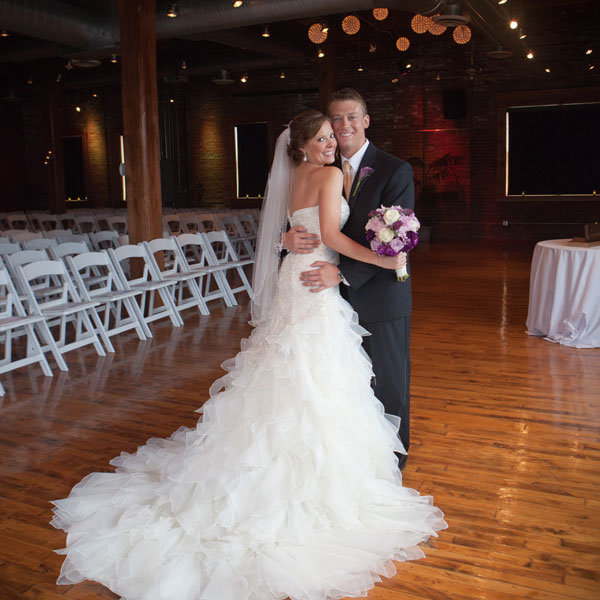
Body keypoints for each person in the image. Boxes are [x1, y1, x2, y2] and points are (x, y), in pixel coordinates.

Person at [50, 110, 446, 600]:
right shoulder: (323, 173)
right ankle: (316, 486)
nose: (330, 143)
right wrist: (385, 257)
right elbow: (333, 237)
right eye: (322, 137)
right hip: (312, 284)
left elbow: (301, 228)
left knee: (293, 370)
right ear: (303, 146)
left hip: (296, 285)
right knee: (314, 376)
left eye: (332, 136)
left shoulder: (299, 174)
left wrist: (294, 241)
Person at [284, 89, 414, 469]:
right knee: (341, 382)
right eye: (335, 120)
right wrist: (285, 237)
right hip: (324, 294)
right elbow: (299, 222)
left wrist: (341, 272)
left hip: (378, 293)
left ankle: (391, 460)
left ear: (366, 120)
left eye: (351, 117)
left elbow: (397, 241)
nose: (343, 126)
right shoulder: (319, 168)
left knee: (389, 380)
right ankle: (353, 457)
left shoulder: (394, 169)